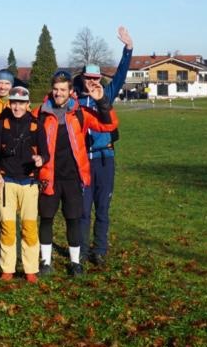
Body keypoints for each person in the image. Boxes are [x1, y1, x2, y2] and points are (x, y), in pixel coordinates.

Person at [35, 70, 118, 277]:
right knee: (46, 218)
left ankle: (75, 262)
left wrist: (102, 101)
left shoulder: (80, 113)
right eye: (56, 89)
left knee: (73, 219)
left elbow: (108, 124)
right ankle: (45, 262)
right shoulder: (40, 113)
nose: (58, 93)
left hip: (73, 177)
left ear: (71, 91)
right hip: (49, 176)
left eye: (63, 89)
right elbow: (29, 138)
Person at [76, 26, 133, 266]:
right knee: (83, 209)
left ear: (100, 79)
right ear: (82, 78)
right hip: (82, 160)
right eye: (88, 78)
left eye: (96, 78)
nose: (92, 82)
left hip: (104, 158)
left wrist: (128, 49)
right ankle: (79, 251)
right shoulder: (74, 99)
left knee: (102, 207)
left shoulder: (107, 92)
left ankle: (99, 249)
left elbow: (121, 74)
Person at [0, 86, 47, 283]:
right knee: (7, 227)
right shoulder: (0, 125)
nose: (17, 107)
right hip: (7, 183)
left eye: (21, 103)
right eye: (14, 102)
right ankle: (7, 268)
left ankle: (30, 269)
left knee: (29, 227)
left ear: (28, 104)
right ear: (9, 103)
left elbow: (46, 153)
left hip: (29, 183)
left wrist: (40, 160)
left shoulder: (37, 125)